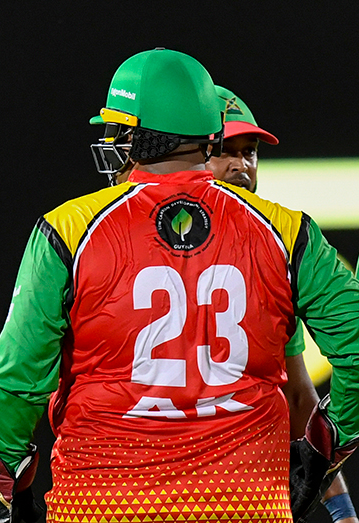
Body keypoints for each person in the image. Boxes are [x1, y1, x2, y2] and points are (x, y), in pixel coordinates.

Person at [0, 48, 359, 523]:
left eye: (114, 130)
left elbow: (15, 377)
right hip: (246, 504)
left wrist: (5, 485)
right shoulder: (286, 232)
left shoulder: (69, 228)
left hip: (103, 504)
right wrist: (332, 447)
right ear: (209, 137)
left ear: (133, 137)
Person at [206, 86, 357, 523]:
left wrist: (342, 508)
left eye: (249, 151)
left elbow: (295, 394)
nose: (241, 166)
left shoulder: (270, 257)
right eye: (224, 151)